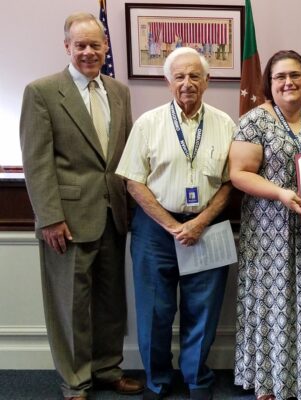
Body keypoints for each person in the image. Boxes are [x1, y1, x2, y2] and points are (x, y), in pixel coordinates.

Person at [19, 12, 143, 400]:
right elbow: (36, 162)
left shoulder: (119, 91)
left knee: (110, 301)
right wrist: (50, 217)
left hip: (113, 214)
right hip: (67, 220)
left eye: (95, 45)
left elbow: (125, 155)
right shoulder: (41, 91)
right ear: (67, 47)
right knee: (70, 304)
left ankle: (108, 369)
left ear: (106, 47)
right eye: (81, 45)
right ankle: (75, 381)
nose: (89, 52)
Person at [116, 47, 235, 400]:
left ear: (207, 81)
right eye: (179, 76)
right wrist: (171, 224)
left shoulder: (226, 124)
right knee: (155, 312)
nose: (187, 83)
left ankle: (197, 379)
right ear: (168, 82)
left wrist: (199, 222)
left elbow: (231, 181)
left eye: (194, 76)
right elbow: (133, 181)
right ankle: (158, 381)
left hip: (208, 227)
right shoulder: (148, 123)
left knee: (204, 310)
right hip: (155, 231)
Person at [229, 50, 301, 400]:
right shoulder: (254, 121)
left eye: (296, 75)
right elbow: (239, 174)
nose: (288, 82)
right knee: (270, 301)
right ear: (269, 83)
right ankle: (269, 380)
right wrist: (280, 193)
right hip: (268, 232)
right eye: (280, 77)